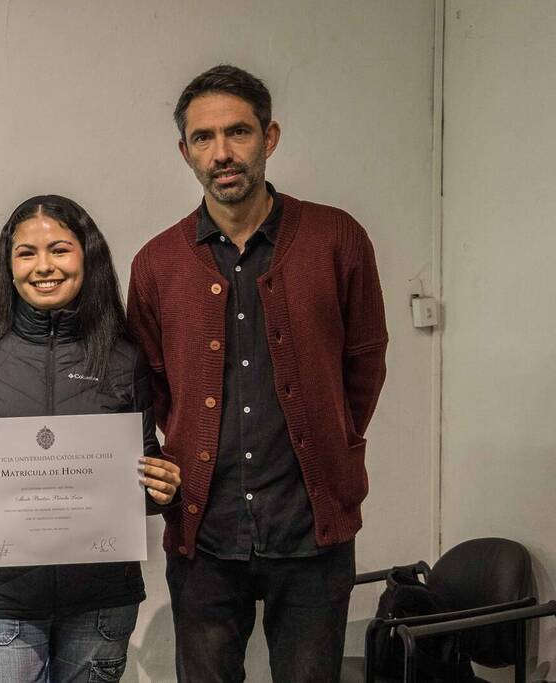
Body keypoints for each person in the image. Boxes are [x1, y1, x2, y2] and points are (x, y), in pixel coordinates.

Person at [127, 65, 388, 682]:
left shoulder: (336, 238)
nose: (222, 152)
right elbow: (151, 385)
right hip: (205, 534)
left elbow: (364, 365)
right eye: (203, 137)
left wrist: (332, 440)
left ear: (269, 137)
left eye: (237, 132)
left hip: (311, 529)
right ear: (185, 151)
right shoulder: (157, 263)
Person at [0, 195, 181, 683]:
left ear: (87, 257)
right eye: (26, 253)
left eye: (59, 249)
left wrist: (163, 489)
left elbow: (139, 479)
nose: (43, 267)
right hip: (0, 601)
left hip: (101, 600)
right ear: (8, 266)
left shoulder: (124, 359)